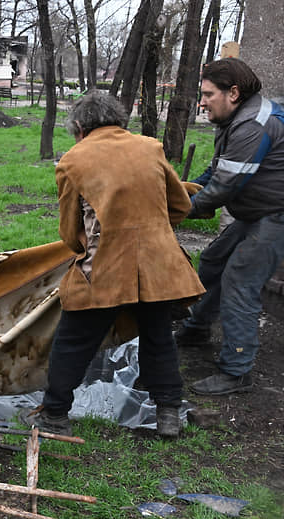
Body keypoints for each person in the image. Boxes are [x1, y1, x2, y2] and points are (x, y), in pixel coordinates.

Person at [21, 93, 205, 438]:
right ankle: (168, 415)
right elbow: (180, 206)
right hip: (160, 266)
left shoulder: (72, 161)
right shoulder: (150, 147)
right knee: (158, 336)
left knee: (73, 340)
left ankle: (55, 414)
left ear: (79, 127)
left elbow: (68, 231)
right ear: (119, 121)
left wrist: (87, 247)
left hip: (104, 269)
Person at [176, 58, 284, 396]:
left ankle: (236, 371)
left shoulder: (252, 125)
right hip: (269, 205)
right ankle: (196, 329)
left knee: (240, 275)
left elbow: (222, 189)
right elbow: (217, 173)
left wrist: (174, 211)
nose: (201, 101)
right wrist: (182, 190)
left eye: (207, 94)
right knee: (215, 259)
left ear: (233, 92)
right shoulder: (237, 117)